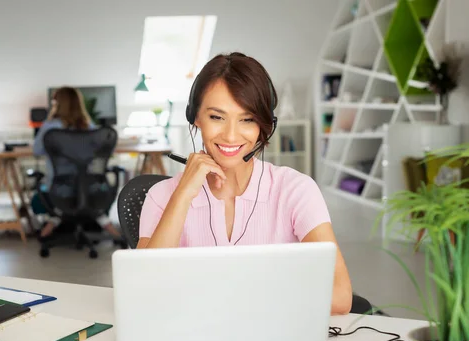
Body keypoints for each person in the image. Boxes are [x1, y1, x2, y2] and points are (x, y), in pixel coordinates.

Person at [137, 53, 352, 315]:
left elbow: (339, 296)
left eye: (247, 119)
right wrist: (182, 195)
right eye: (217, 117)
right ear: (196, 118)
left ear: (264, 125)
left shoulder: (296, 190)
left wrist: (228, 300)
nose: (230, 135)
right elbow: (143, 294)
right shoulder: (162, 195)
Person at [33, 86, 122, 239]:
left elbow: (37, 151)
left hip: (60, 190)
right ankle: (103, 221)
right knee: (85, 192)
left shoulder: (50, 128)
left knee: (37, 200)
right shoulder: (91, 128)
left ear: (57, 104)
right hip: (92, 188)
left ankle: (55, 219)